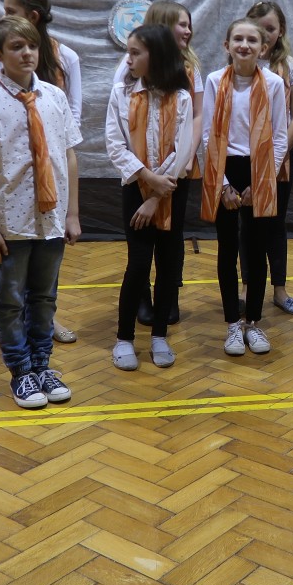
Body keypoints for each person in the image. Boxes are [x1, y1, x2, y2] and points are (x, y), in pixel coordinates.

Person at [0, 15, 81, 408]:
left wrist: (72, 213)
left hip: (51, 219)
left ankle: (43, 365)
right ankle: (21, 371)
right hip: (10, 222)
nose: (27, 53)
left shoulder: (54, 97)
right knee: (11, 299)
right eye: (16, 47)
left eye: (32, 46)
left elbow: (69, 155)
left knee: (45, 297)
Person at [105, 23, 194, 370]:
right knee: (139, 264)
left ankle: (159, 335)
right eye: (128, 52)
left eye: (135, 52)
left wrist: (157, 194)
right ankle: (124, 338)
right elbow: (115, 144)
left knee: (168, 265)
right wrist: (147, 178)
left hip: (170, 190)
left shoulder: (181, 97)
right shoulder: (122, 94)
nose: (128, 59)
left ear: (155, 55)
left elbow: (183, 150)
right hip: (136, 188)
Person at [201, 18, 288, 357]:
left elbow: (279, 137)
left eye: (252, 40)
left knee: (256, 249)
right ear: (227, 45)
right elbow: (208, 136)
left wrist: (262, 181)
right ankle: (232, 324)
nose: (244, 45)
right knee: (227, 249)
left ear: (263, 48)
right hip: (226, 169)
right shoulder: (214, 81)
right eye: (238, 38)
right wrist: (222, 183)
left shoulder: (274, 84)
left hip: (259, 170)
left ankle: (253, 321)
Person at [2, 0, 83, 345]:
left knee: (49, 249)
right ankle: (16, 321)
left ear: (32, 16)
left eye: (11, 11)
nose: (4, 17)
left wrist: (50, 151)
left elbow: (73, 115)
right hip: (17, 168)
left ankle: (47, 317)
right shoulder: (4, 57)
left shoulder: (66, 58)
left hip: (53, 166)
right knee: (16, 254)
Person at [125, 0, 202, 328]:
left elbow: (196, 116)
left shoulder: (190, 68)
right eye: (181, 24)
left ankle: (168, 295)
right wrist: (144, 172)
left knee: (173, 235)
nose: (187, 30)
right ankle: (142, 295)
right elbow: (121, 126)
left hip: (176, 165)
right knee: (141, 240)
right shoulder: (131, 68)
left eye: (189, 24)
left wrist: (184, 158)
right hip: (139, 170)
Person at [245, 1, 293, 314]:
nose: (264, 34)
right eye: (258, 28)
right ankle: (247, 287)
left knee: (275, 222)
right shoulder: (242, 65)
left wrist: (279, 155)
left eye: (270, 28)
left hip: (280, 157)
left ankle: (279, 290)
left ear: (280, 30)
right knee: (248, 223)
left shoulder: (292, 67)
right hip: (245, 156)